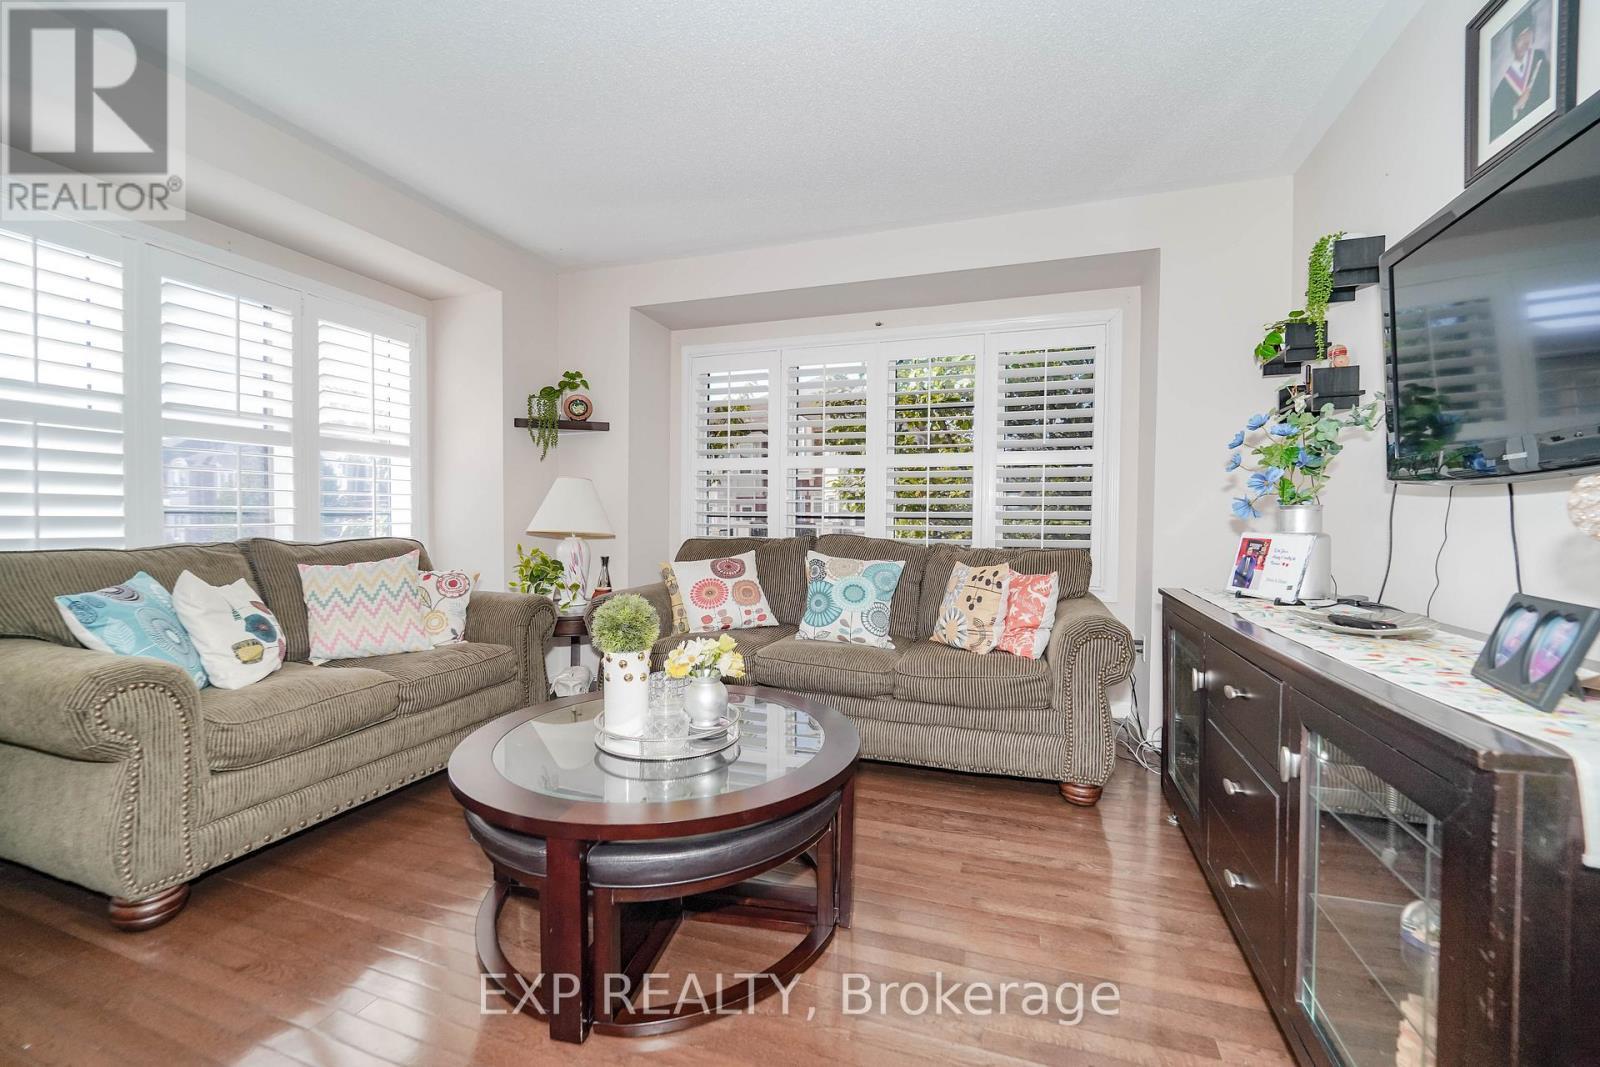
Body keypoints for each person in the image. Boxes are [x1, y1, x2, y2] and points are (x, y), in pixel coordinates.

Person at [1490, 7, 1551, 140]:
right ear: (1513, 44)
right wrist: (1516, 107)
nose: (1524, 45)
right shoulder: (1504, 87)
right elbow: (1497, 127)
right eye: (1520, 39)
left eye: (1527, 38)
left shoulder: (1540, 61)